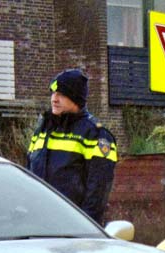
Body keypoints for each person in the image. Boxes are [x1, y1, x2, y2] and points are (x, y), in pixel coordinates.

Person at [27, 68, 118, 225]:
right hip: (38, 224)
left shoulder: (96, 134)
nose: (54, 99)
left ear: (76, 99)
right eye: (53, 93)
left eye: (61, 94)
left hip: (73, 229)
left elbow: (98, 190)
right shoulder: (43, 129)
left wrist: (85, 227)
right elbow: (28, 176)